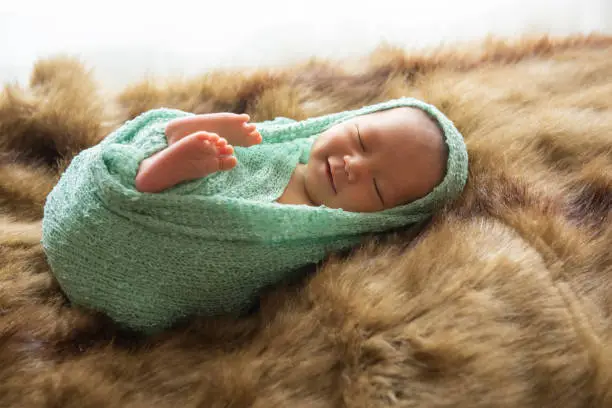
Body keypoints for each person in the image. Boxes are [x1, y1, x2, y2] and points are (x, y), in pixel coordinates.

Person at [41, 97, 469, 333]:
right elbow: (257, 139)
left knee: (210, 206)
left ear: (383, 218)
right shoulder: (289, 141)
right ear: (348, 119)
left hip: (159, 247)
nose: (353, 165)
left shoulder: (312, 229)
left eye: (376, 187)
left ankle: (158, 178)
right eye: (360, 139)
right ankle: (163, 156)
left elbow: (240, 270)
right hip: (125, 192)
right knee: (198, 140)